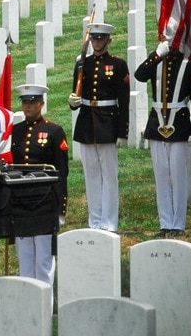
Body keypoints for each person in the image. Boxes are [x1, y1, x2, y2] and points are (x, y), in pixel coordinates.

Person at [134, 39, 191, 237]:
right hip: (157, 125)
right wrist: (157, 55)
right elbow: (140, 75)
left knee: (178, 176)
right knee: (161, 175)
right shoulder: (156, 61)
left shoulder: (190, 67)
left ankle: (178, 224)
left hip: (179, 125)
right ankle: (165, 222)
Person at [68, 22, 130, 232]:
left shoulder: (118, 64)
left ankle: (109, 222)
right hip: (87, 123)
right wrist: (72, 102)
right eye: (94, 38)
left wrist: (123, 131)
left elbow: (124, 101)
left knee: (109, 176)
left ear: (108, 40)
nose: (97, 42)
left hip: (108, 123)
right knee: (91, 174)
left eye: (101, 38)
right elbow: (75, 96)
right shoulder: (81, 64)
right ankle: (94, 220)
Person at [11, 83, 68, 286]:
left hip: (44, 203)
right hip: (22, 201)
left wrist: (60, 208)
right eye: (25, 102)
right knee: (25, 260)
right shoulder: (16, 131)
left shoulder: (53, 131)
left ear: (41, 104)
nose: (27, 106)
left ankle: (45, 305)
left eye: (32, 102)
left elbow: (61, 172)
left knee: (43, 261)